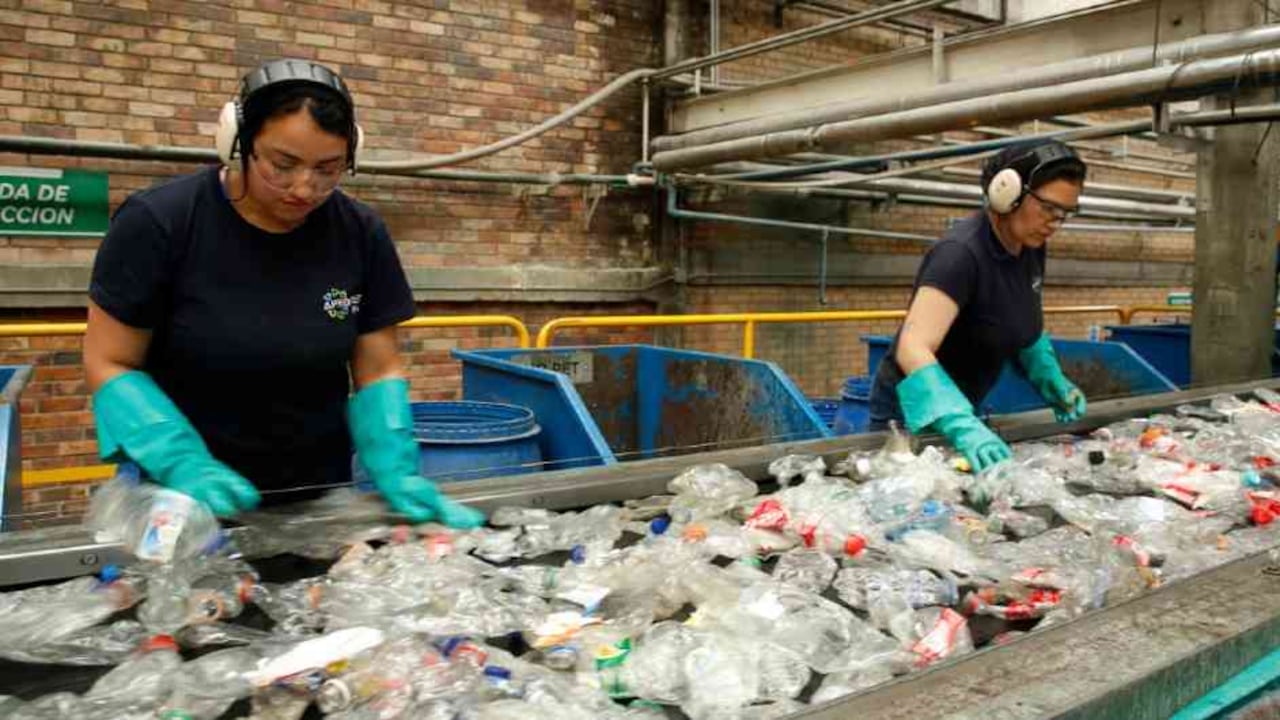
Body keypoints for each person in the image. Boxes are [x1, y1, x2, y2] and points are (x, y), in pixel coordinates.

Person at [82, 59, 483, 527]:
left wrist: (396, 469)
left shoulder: (360, 233)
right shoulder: (161, 223)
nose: (304, 188)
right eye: (283, 165)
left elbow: (377, 368)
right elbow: (109, 361)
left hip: (313, 496)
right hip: (178, 501)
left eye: (328, 169)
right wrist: (180, 462)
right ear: (238, 142)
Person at [867, 139, 1089, 472]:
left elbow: (1017, 318)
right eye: (1048, 208)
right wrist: (962, 424)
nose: (1055, 222)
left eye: (1065, 213)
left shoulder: (1030, 247)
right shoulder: (960, 254)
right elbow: (913, 348)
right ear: (1007, 193)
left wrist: (1050, 378)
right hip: (909, 421)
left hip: (961, 409)